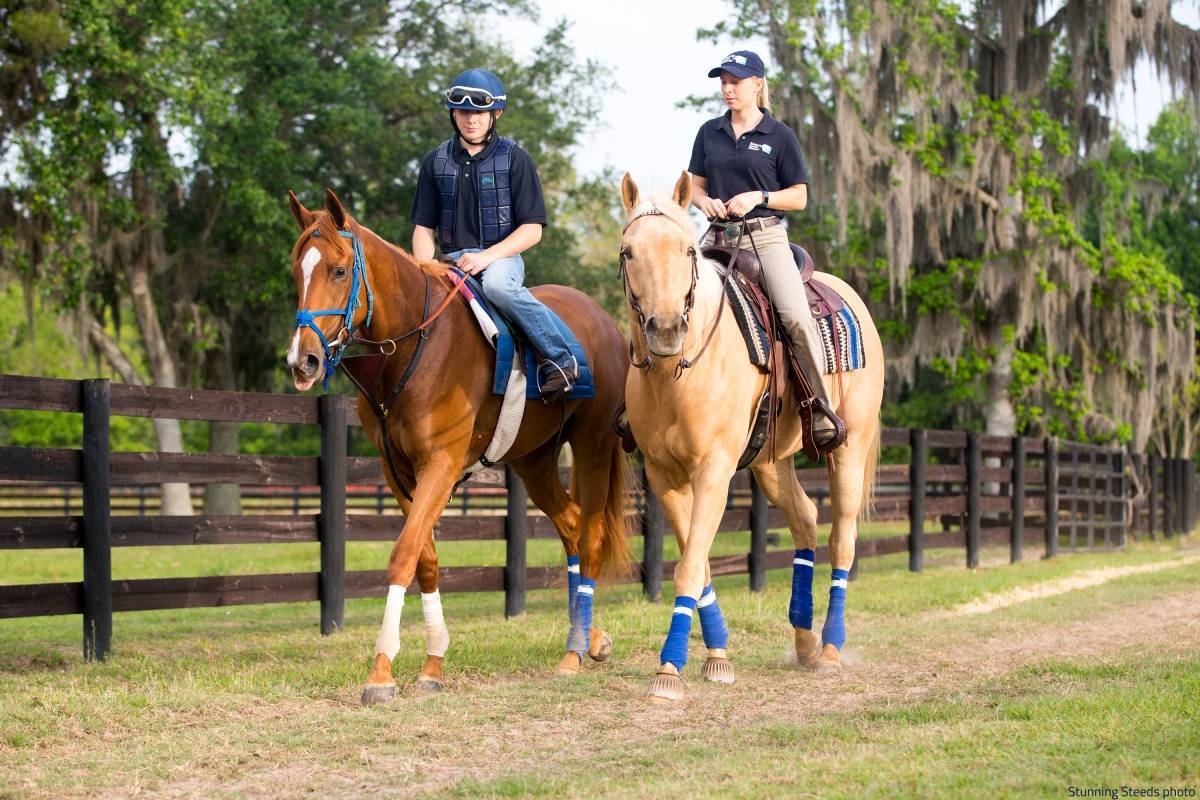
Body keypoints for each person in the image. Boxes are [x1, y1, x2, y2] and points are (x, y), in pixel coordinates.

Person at [687, 49, 845, 453]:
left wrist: (759, 195)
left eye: (735, 82)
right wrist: (702, 202)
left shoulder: (779, 135)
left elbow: (800, 197)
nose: (727, 89)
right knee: (674, 296)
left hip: (765, 235)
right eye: (723, 82)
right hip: (717, 235)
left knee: (794, 316)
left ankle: (820, 407)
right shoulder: (709, 132)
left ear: (757, 84)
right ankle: (642, 402)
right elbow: (694, 185)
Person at [411, 67, 578, 398]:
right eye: (463, 112)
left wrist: (486, 257)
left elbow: (531, 231)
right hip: (449, 262)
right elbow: (422, 229)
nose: (471, 119)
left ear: (495, 114)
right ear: (453, 113)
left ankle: (561, 359)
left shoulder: (516, 159)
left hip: (500, 259)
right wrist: (424, 270)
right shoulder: (435, 162)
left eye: (479, 113)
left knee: (499, 288)